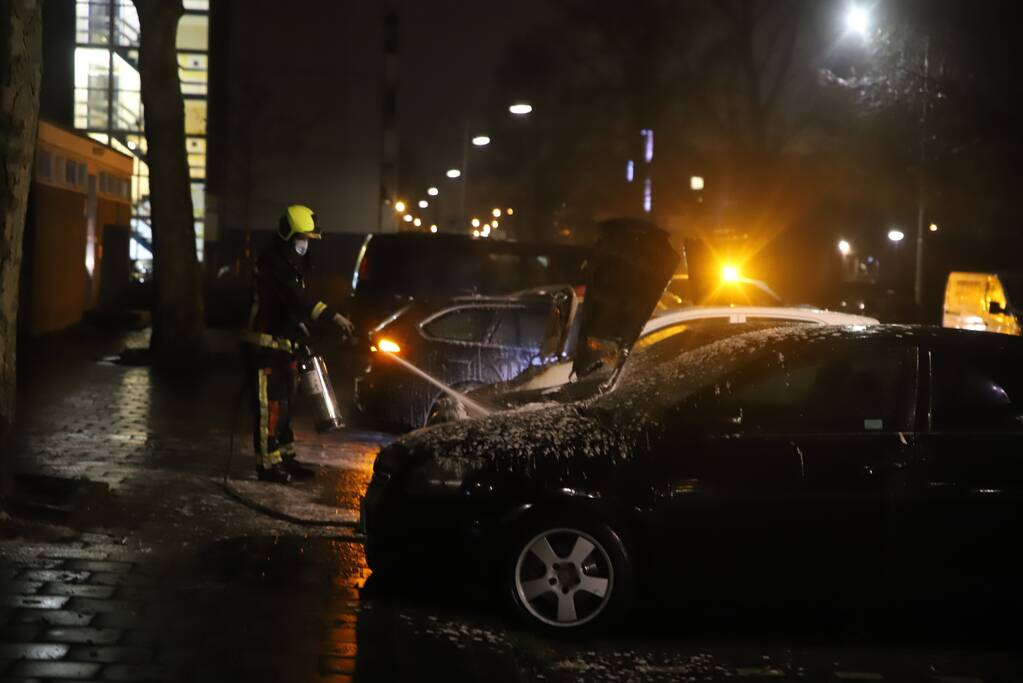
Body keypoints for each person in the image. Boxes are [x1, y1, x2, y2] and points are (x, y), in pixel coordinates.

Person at [242, 205, 354, 484]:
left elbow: (288, 306)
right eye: (302, 238)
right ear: (287, 235)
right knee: (270, 408)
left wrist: (301, 327)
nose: (305, 244)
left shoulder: (291, 266)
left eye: (309, 239)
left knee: (286, 407)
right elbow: (298, 299)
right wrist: (333, 317)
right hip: (265, 350)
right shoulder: (273, 265)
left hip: (284, 347)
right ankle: (267, 465)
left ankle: (285, 457)